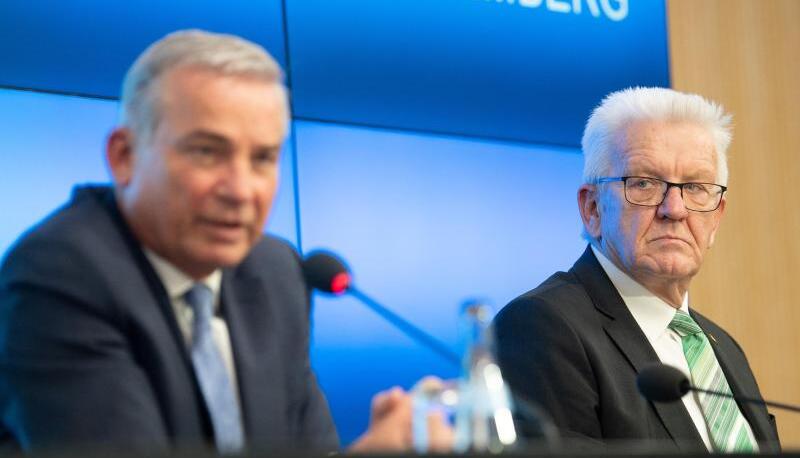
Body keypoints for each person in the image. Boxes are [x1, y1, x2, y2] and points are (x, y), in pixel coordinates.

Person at [0, 30, 428, 454]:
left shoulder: (275, 271)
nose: (241, 190)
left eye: (262, 158)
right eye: (207, 152)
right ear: (124, 156)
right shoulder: (60, 274)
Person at [494, 87, 781, 453]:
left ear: (717, 218)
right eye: (644, 183)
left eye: (695, 187)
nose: (674, 209)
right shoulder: (542, 327)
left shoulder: (723, 348)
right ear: (593, 209)